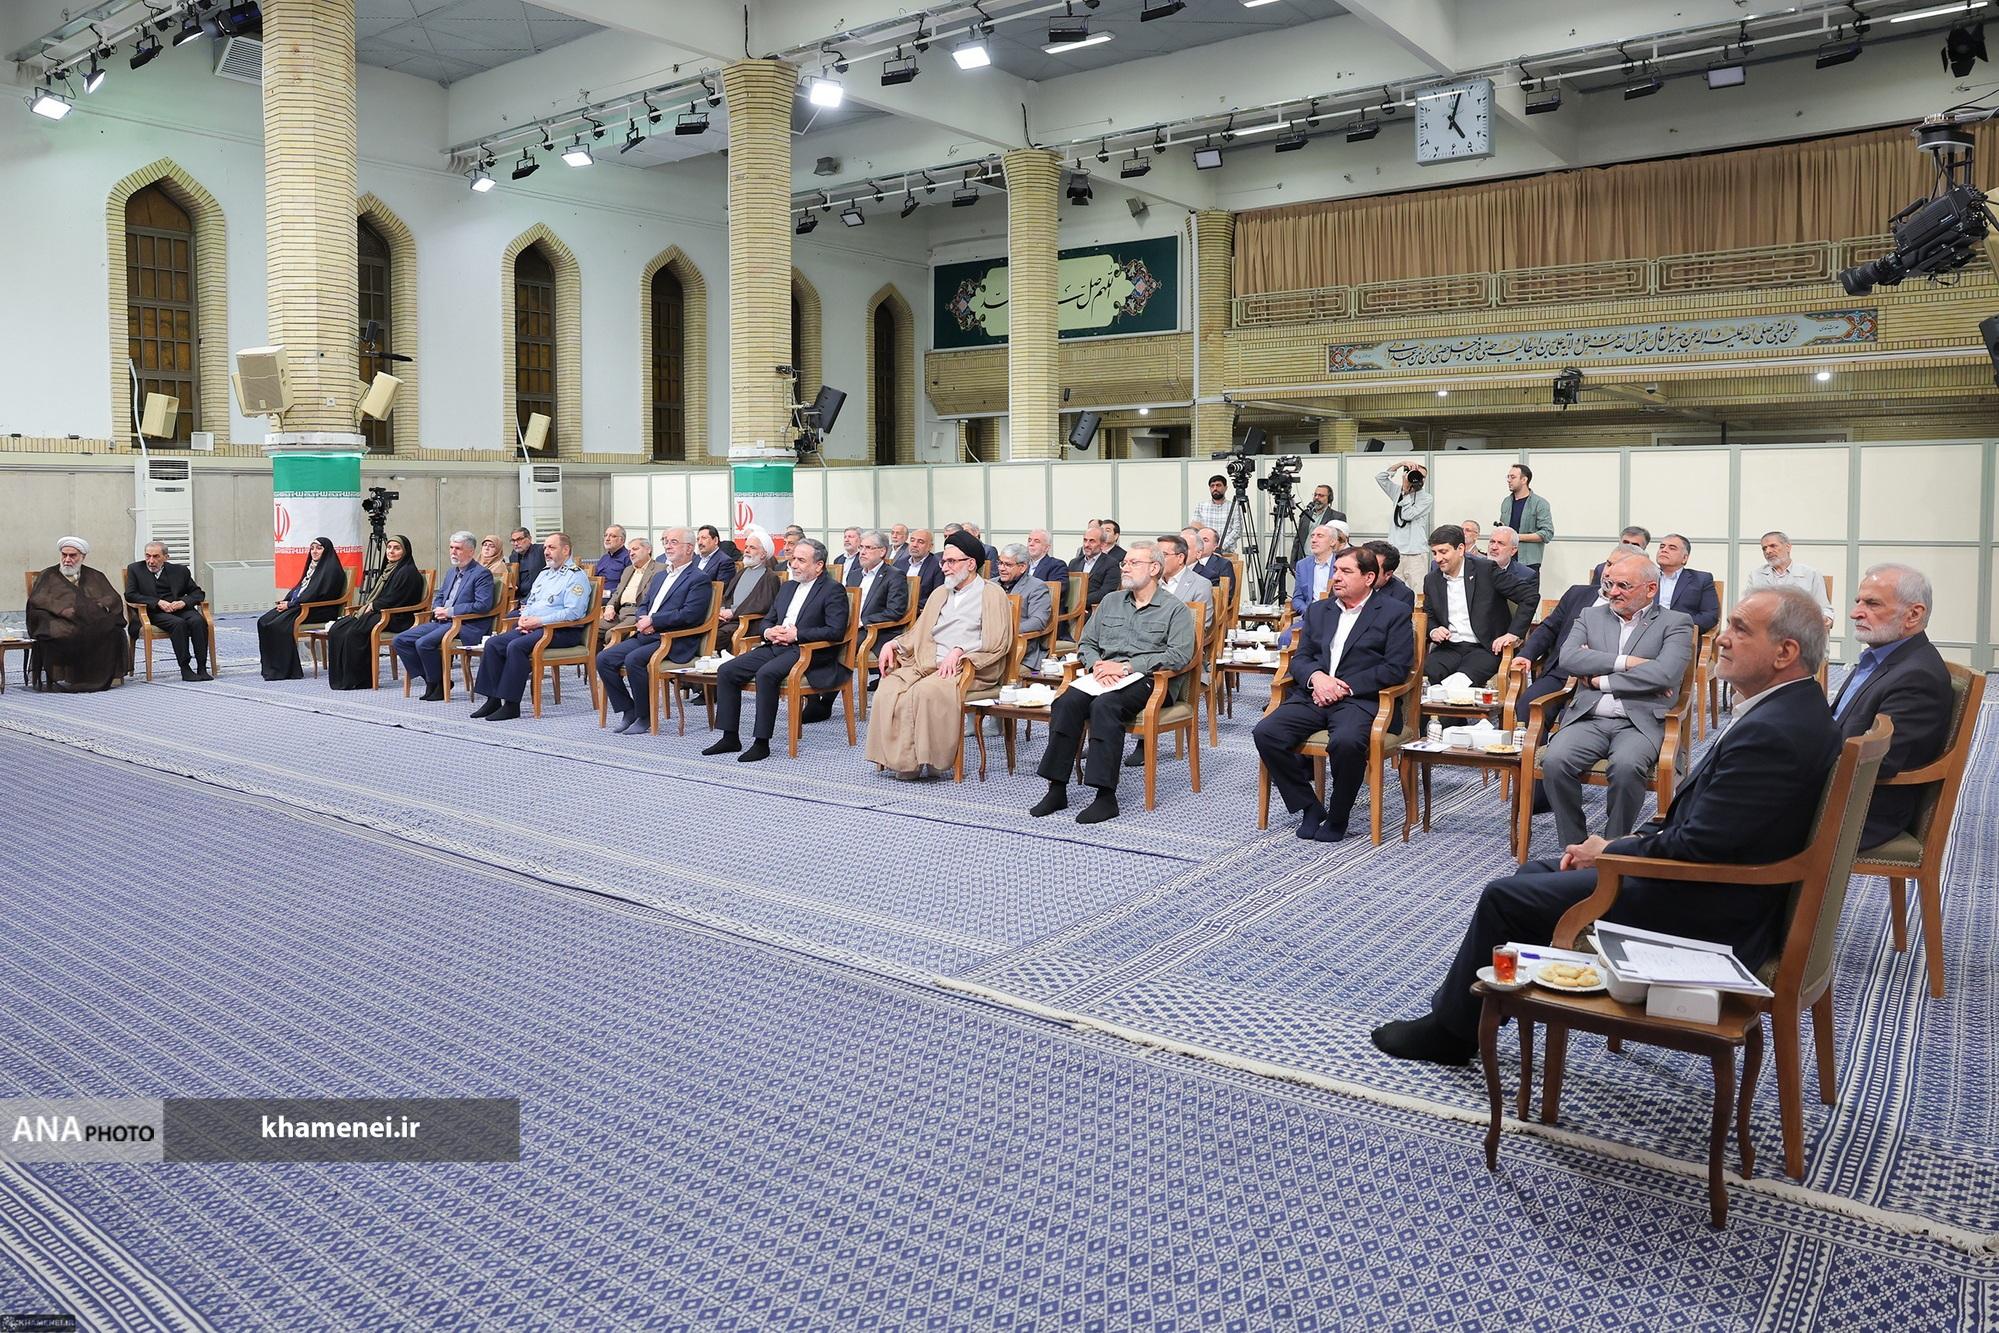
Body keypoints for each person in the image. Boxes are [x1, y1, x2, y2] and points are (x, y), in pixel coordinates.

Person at [1373, 586, 1841, 1064]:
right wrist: (1624, 842)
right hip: (1713, 882)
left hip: (1710, 907)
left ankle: (1452, 1034)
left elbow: (1702, 846)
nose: (1721, 638)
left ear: (1785, 652)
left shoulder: (1774, 732)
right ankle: (1476, 1016)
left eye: (1740, 629)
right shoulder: (1790, 710)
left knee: (1506, 897)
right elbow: (1711, 829)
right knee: (1534, 874)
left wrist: (1612, 853)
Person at [1253, 546, 1415, 842]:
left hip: (1362, 699)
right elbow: (1301, 658)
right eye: (1336, 570)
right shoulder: (1319, 610)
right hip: (1314, 695)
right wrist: (1317, 678)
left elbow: (1396, 669)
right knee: (1266, 732)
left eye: (1346, 571)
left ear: (1369, 578)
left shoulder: (1394, 612)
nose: (1336, 577)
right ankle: (1309, 806)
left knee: (1347, 742)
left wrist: (1341, 686)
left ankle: (1339, 815)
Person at [1537, 552, 1696, 847]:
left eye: (1624, 586)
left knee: (1626, 768)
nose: (1613, 592)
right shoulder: (1591, 616)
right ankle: (1574, 844)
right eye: (1610, 584)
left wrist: (1600, 680)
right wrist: (1628, 663)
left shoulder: (1675, 622)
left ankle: (1613, 846)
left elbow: (1665, 674)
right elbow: (1569, 658)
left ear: (1651, 588)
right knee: (1555, 760)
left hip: (1640, 722)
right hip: (1589, 717)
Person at [1031, 541, 1194, 825]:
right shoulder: (1110, 601)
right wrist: (1097, 665)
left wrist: (1127, 666)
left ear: (1154, 568)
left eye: (1134, 563)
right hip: (1104, 674)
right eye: (1124, 563)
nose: (1125, 567)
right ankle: (1056, 789)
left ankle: (1105, 796)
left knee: (1105, 706)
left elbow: (1179, 655)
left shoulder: (1174, 609)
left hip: (1150, 679)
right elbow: (1087, 643)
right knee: (1066, 702)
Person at [867, 532, 1015, 779]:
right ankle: (904, 762)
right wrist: (893, 644)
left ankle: (932, 760)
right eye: (943, 561)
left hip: (970, 667)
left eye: (951, 561)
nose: (945, 567)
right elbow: (919, 631)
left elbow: (997, 639)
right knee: (890, 686)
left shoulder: (991, 593)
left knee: (923, 691)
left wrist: (960, 651)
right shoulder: (940, 593)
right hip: (928, 662)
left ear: (971, 564)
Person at [1834, 564, 1955, 849]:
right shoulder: (1880, 657)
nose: (1855, 612)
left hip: (1859, 812)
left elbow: (1876, 762)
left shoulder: (1917, 676)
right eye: (1858, 602)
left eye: (1872, 603)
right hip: (1836, 789)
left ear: (1913, 615)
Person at [703, 537, 849, 763]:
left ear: (819, 565)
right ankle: (730, 737)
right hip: (776, 645)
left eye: (801, 560)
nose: (794, 565)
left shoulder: (833, 590)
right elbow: (768, 620)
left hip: (808, 651)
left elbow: (835, 631)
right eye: (793, 559)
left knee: (766, 674)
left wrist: (797, 635)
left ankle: (761, 743)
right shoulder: (788, 586)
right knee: (727, 670)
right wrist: (768, 632)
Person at [598, 528, 713, 734]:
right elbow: (644, 604)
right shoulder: (660, 576)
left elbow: (690, 615)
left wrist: (654, 621)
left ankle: (645, 716)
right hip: (647, 634)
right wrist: (644, 619)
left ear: (689, 548)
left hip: (674, 639)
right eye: (666, 542)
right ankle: (629, 710)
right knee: (604, 659)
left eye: (674, 542)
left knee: (634, 660)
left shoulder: (698, 578)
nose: (667, 546)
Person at [468, 532, 591, 722]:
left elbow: (573, 612)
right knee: (494, 643)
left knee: (516, 646)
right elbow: (531, 602)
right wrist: (524, 619)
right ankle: (492, 700)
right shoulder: (544, 574)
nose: (546, 552)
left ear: (566, 550)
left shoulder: (575, 576)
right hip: (535, 626)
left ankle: (511, 705)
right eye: (545, 548)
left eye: (552, 547)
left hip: (562, 630)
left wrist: (539, 621)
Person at [1125, 534, 1216, 768]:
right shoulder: (1145, 583)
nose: (1159, 559)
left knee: (1146, 676)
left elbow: (1203, 628)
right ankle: (1102, 735)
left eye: (1164, 554)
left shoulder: (1199, 585)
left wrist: (1159, 639)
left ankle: (1142, 743)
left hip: (1183, 657)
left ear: (1181, 558)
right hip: (1142, 653)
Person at [1421, 524, 1537, 685]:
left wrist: (1513, 634)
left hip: (1485, 648)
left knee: (1460, 682)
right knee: (1427, 678)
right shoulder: (1432, 580)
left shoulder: (1486, 570)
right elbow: (1428, 613)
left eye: (1443, 552)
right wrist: (1434, 630)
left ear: (1460, 549)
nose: (1438, 559)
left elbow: (1530, 596)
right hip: (1449, 647)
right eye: (1434, 553)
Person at [394, 531, 496, 701]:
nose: (453, 552)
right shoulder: (451, 572)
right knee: (400, 640)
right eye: (451, 547)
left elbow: (483, 605)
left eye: (458, 548)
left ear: (471, 551)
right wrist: (437, 609)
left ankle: (437, 684)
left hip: (465, 624)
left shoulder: (481, 574)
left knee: (424, 643)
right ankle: (434, 680)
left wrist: (450, 611)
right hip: (442, 621)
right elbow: (440, 595)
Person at [325, 534, 426, 691]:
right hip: (382, 612)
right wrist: (372, 606)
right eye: (389, 547)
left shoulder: (408, 572)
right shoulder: (388, 570)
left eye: (397, 548)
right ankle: (341, 678)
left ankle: (360, 679)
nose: (391, 551)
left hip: (398, 617)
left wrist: (374, 605)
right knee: (338, 628)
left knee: (354, 632)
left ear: (405, 551)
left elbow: (398, 598)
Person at [27, 537, 128, 692]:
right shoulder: (48, 575)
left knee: (113, 630)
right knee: (66, 632)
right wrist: (63, 610)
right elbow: (38, 599)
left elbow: (112, 598)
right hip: (59, 619)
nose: (67, 559)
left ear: (82, 557)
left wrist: (95, 606)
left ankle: (97, 676)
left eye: (72, 555)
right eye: (64, 555)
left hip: (89, 620)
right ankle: (72, 677)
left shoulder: (95, 575)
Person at [256, 536, 345, 681]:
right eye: (312, 548)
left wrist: (291, 605)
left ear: (327, 550)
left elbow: (317, 593)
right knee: (264, 621)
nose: (314, 551)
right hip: (302, 605)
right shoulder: (313, 567)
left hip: (319, 610)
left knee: (278, 625)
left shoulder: (331, 570)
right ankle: (271, 668)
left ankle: (286, 670)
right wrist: (287, 601)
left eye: (319, 548)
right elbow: (300, 588)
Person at [125, 540, 210, 681]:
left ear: (166, 557)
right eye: (148, 556)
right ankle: (185, 668)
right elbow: (130, 595)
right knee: (178, 624)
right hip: (153, 612)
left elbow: (197, 593)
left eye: (156, 556)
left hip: (179, 609)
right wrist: (157, 602)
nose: (151, 561)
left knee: (198, 621)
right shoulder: (135, 569)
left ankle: (202, 667)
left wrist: (183, 602)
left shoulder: (180, 571)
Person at [1749, 530, 1835, 626]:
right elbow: (1748, 608)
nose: (1768, 551)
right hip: (1767, 628)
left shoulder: (1811, 574)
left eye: (1773, 546)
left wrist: (1826, 619)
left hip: (1800, 628)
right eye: (1764, 548)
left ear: (1788, 547)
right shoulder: (1756, 575)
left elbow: (1825, 609)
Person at [995, 542, 1055, 673]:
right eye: (1000, 563)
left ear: (1022, 567)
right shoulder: (990, 584)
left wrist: (1006, 631)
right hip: (990, 644)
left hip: (1021, 646)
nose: (1001, 568)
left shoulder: (1037, 587)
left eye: (1008, 565)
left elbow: (1038, 621)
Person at [1375, 462, 1432, 587]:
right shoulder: (1397, 491)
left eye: (1422, 477)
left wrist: (1405, 493)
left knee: (1418, 591)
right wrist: (1401, 464)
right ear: (1406, 475)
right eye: (1414, 474)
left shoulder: (1426, 498)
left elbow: (1407, 515)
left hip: (1416, 553)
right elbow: (1380, 477)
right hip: (1396, 552)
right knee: (1394, 590)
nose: (1418, 479)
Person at [717, 527, 779, 635]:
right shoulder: (741, 572)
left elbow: (762, 606)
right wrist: (722, 610)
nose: (746, 550)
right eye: (746, 547)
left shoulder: (770, 577)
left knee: (715, 637)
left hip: (748, 623)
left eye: (752, 547)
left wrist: (733, 612)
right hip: (728, 620)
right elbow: (728, 597)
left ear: (763, 554)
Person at [1653, 534, 1720, 633]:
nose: (1664, 550)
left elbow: (1710, 616)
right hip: (1648, 632)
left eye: (1672, 548)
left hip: (1682, 632)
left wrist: (1678, 624)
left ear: (1684, 558)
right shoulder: (1646, 577)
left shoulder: (1701, 580)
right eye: (1662, 547)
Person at [1498, 463, 1553, 567]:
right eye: (1508, 477)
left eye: (1513, 477)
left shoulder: (1540, 503)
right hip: (1506, 560)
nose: (1508, 480)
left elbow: (1547, 533)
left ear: (1524, 480)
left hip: (1529, 562)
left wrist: (1517, 537)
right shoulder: (1506, 502)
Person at [600, 538, 656, 634]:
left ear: (648, 550)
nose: (631, 553)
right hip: (619, 612)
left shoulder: (660, 569)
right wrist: (610, 606)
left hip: (637, 613)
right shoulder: (628, 570)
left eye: (635, 549)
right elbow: (618, 592)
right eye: (629, 551)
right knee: (592, 630)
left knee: (611, 634)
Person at [1290, 523, 1342, 620]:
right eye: (1312, 536)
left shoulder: (1341, 563)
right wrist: (1308, 611)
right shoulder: (1302, 565)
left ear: (1332, 542)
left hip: (1336, 617)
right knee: (1287, 632)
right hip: (1310, 617)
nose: (1313, 540)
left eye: (1320, 536)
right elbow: (1297, 598)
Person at [1070, 522, 1120, 612]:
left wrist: (1080, 603)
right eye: (1085, 540)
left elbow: (1106, 592)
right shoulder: (1074, 563)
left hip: (1094, 610)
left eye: (1092, 541)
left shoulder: (1111, 564)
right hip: (1071, 608)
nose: (1086, 545)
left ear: (1103, 544)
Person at [1292, 485, 1345, 564]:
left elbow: (1340, 543)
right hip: (1304, 560)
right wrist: (1293, 562)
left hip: (1325, 561)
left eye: (1321, 495)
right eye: (1315, 495)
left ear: (1329, 498)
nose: (1317, 498)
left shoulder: (1337, 517)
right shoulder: (1305, 515)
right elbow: (1297, 540)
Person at [1192, 474, 1239, 551]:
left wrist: (1220, 546)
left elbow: (1237, 530)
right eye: (1212, 486)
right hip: (1205, 552)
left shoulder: (1234, 507)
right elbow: (1195, 528)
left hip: (1226, 552)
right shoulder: (1201, 506)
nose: (1215, 488)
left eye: (1218, 485)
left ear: (1226, 488)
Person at [1364, 540, 1414, 609]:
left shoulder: (1402, 595)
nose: (1363, 570)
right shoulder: (1350, 584)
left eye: (1372, 567)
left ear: (1388, 575)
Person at [903, 528, 944, 604]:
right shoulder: (899, 563)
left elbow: (937, 596)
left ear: (930, 547)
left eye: (920, 542)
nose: (914, 545)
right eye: (912, 540)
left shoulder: (937, 566)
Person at [592, 525, 632, 602]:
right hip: (596, 597)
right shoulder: (604, 558)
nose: (607, 539)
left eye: (612, 536)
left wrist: (606, 593)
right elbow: (594, 579)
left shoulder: (629, 558)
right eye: (605, 535)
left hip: (613, 600)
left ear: (622, 540)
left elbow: (629, 585)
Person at [506, 528, 544, 608]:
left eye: (519, 539)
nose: (516, 543)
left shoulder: (540, 550)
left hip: (538, 597)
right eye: (513, 540)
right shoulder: (513, 556)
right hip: (519, 599)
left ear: (529, 539)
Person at [1193, 527, 1234, 598]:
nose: (1200, 543)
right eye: (1198, 540)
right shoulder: (1186, 561)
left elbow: (1226, 596)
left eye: (1205, 540)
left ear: (1215, 546)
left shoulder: (1223, 564)